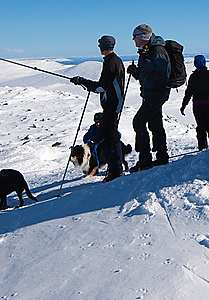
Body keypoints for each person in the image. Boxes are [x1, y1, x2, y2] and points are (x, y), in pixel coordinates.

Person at [70, 35, 126, 183]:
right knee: (108, 137)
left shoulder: (111, 62)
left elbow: (102, 86)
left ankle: (116, 171)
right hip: (112, 104)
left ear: (103, 46)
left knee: (111, 138)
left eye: (100, 45)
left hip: (111, 105)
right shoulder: (114, 61)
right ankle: (114, 169)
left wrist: (82, 81)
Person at [127, 24, 171, 172]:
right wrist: (135, 72)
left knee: (138, 122)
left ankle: (145, 160)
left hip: (156, 94)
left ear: (143, 37)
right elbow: (145, 75)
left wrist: (146, 62)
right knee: (155, 124)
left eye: (135, 37)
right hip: (151, 93)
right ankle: (161, 157)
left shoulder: (157, 50)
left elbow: (162, 74)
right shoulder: (146, 51)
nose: (133, 39)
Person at [181, 55, 209, 150]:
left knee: (201, 125)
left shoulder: (193, 77)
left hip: (197, 105)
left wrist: (184, 105)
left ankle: (202, 146)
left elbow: (189, 92)